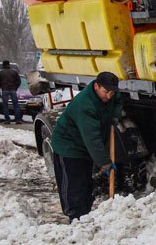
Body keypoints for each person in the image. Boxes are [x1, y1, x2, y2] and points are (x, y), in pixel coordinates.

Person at [49, 71, 123, 223]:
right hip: (68, 146)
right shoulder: (85, 105)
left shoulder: (111, 94)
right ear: (96, 86)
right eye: (106, 92)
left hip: (83, 146)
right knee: (74, 183)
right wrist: (105, 162)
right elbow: (92, 139)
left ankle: (85, 213)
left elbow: (118, 100)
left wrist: (115, 115)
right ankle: (74, 216)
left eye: (111, 92)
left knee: (86, 182)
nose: (109, 96)